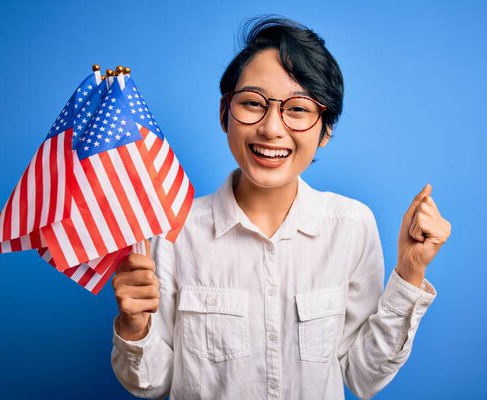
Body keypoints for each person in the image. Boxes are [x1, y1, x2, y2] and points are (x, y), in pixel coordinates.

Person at [111, 16, 451, 400]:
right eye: (253, 103)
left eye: (298, 109)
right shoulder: (173, 231)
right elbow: (152, 383)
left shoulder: (351, 226)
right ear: (225, 113)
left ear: (326, 130)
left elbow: (363, 376)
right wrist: (135, 325)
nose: (272, 128)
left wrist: (409, 273)